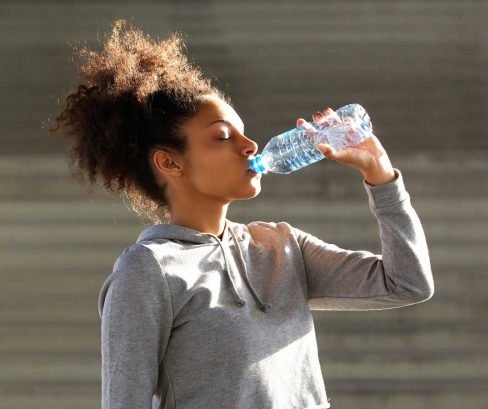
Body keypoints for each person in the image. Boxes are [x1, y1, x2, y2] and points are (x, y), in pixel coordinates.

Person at [49, 19, 434, 409]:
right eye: (223, 136)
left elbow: (407, 283)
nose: (250, 145)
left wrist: (381, 177)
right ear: (170, 162)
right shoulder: (149, 270)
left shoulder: (281, 246)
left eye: (244, 132)